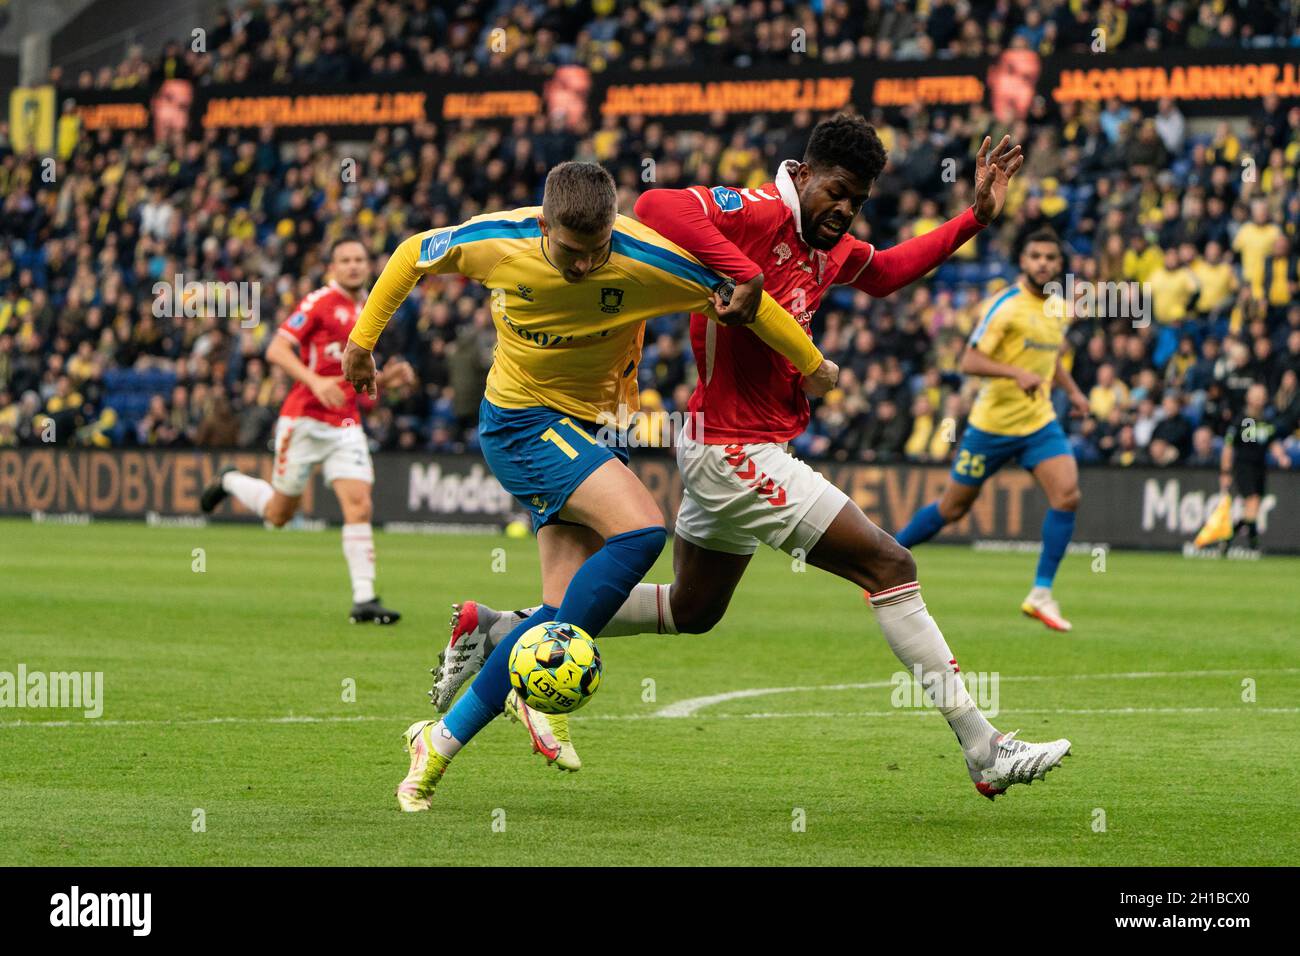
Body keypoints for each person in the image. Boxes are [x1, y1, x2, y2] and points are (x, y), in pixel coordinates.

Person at [438, 117, 1073, 801]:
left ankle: (503, 631)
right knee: (890, 565)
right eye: (836, 190)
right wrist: (742, 274)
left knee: (694, 607)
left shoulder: (823, 247)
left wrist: (972, 219)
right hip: (733, 448)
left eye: (856, 200)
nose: (844, 208)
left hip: (733, 446)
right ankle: (985, 747)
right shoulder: (759, 213)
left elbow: (886, 272)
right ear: (801, 175)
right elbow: (656, 206)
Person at [339, 161, 837, 812]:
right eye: (571, 253)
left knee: (556, 613)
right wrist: (361, 340)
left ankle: (436, 743)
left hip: (602, 428)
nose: (583, 267)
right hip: (522, 423)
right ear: (545, 225)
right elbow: (412, 254)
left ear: (614, 226)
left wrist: (813, 364)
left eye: (597, 249)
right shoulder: (500, 242)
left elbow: (749, 294)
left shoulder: (648, 260)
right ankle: (530, 686)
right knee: (641, 532)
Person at [199, 237, 415, 624]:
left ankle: (364, 600)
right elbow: (277, 350)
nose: (352, 265)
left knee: (359, 503)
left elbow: (356, 383)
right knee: (279, 514)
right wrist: (315, 381)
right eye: (345, 260)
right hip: (304, 419)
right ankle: (230, 479)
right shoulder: (319, 302)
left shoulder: (371, 309)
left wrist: (388, 380)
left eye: (359, 259)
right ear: (332, 267)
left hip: (345, 422)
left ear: (369, 266)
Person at [894, 229, 1090, 632]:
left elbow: (1050, 360)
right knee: (953, 508)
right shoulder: (1003, 307)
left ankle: (1041, 593)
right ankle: (889, 555)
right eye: (1035, 255)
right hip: (991, 426)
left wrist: (1074, 392)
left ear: (1059, 265)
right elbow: (969, 361)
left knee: (1067, 495)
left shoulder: (1059, 308)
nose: (1043, 263)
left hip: (1038, 422)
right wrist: (1014, 372)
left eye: (1051, 257)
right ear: (1023, 261)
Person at [1218, 382, 1289, 553]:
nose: (1259, 399)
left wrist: (1281, 457)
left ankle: (1228, 538)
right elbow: (1228, 447)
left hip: (1260, 467)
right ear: (1248, 398)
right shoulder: (1242, 421)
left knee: (1254, 506)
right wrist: (1226, 471)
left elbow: (1271, 442)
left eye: (1261, 396)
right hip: (1244, 466)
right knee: (1253, 501)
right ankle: (1253, 542)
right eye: (1256, 396)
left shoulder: (1266, 420)